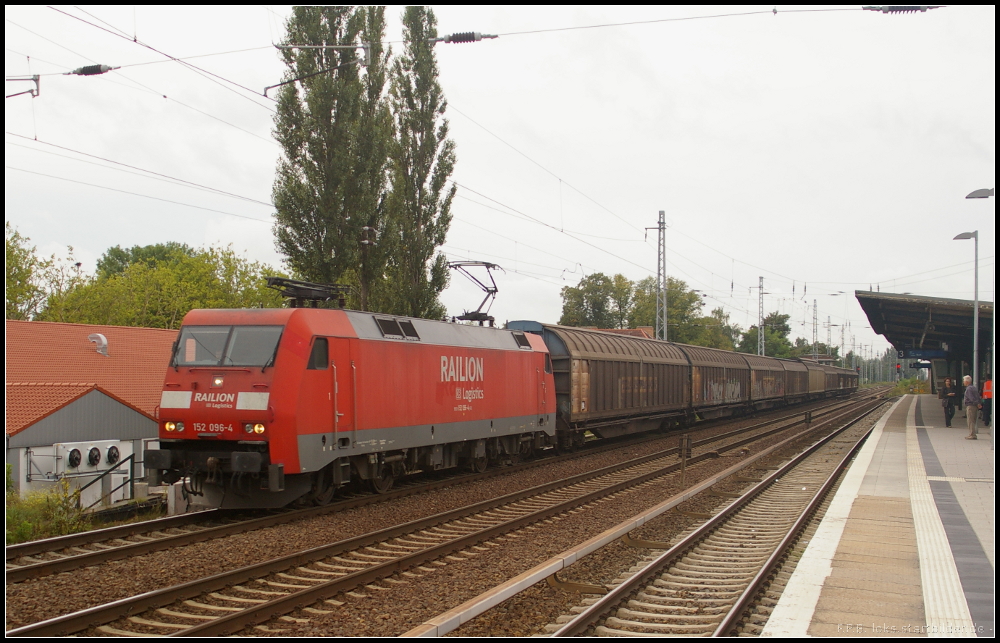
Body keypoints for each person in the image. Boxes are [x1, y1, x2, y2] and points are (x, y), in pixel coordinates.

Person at [962, 375, 982, 440]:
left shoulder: (969, 389)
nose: (963, 382)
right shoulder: (974, 387)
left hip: (971, 406)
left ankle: (972, 434)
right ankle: (972, 433)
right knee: (973, 420)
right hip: (974, 406)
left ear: (967, 381)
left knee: (970, 421)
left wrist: (977, 403)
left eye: (964, 381)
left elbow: (971, 398)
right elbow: (978, 396)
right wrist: (978, 403)